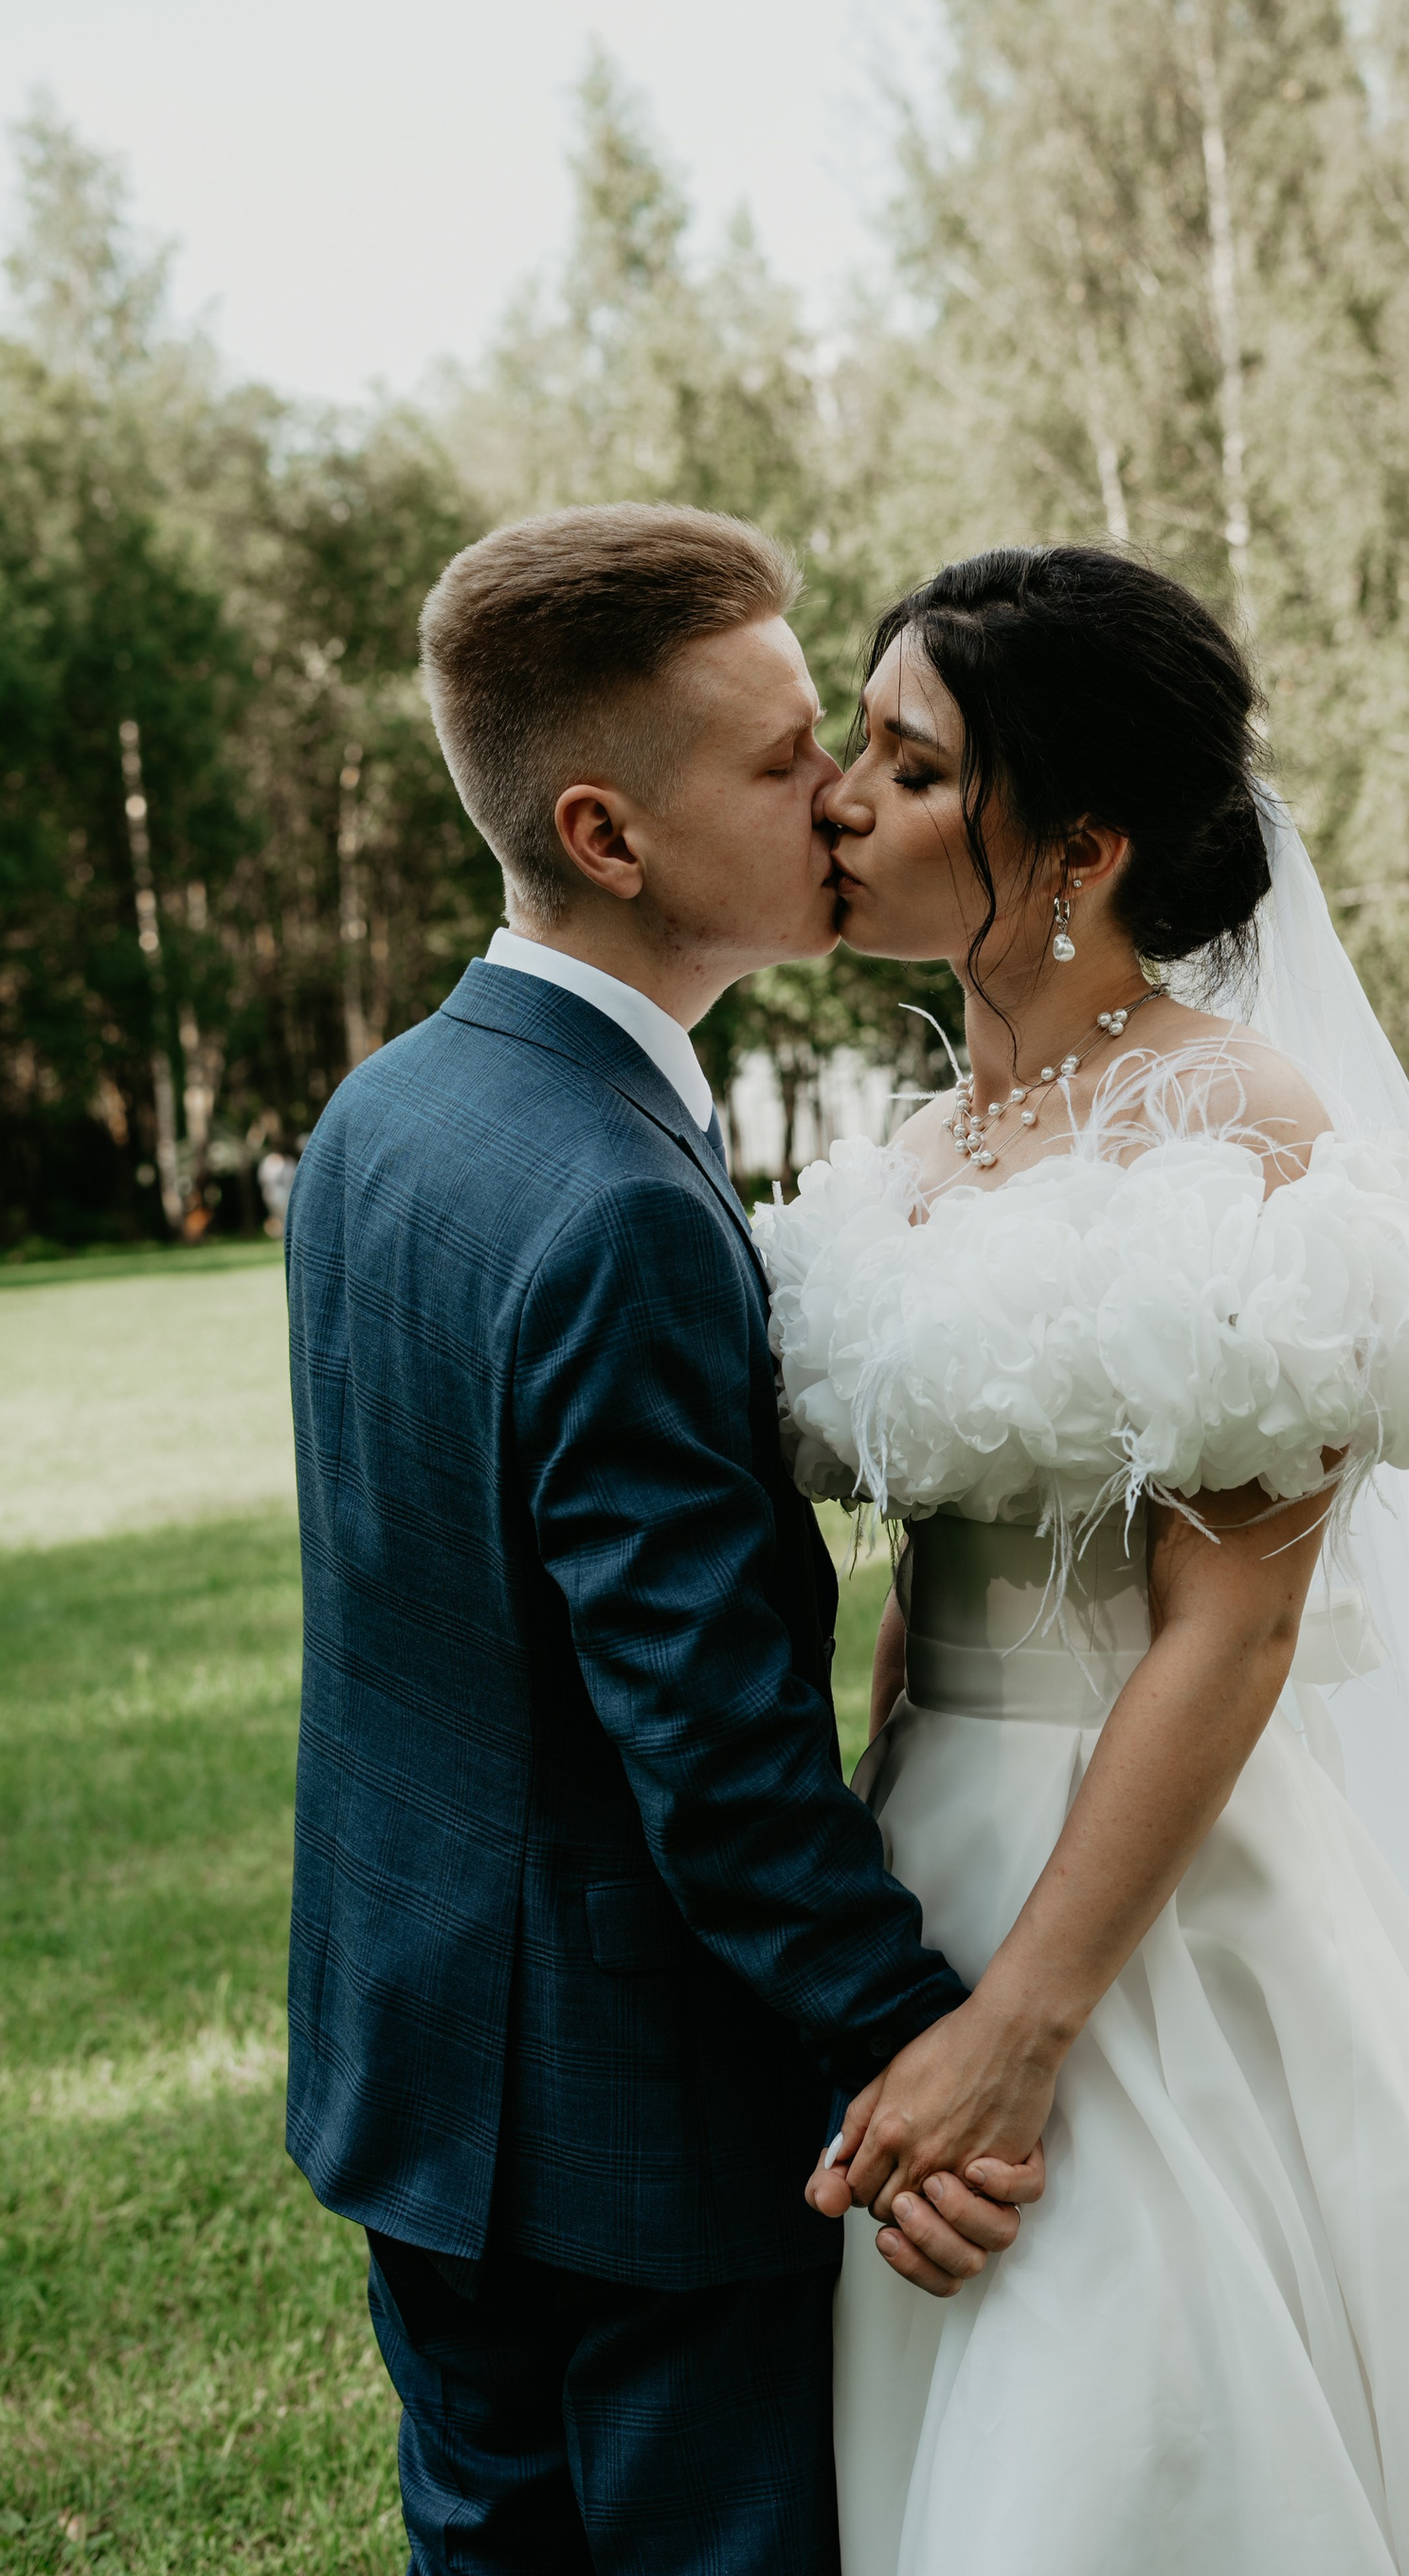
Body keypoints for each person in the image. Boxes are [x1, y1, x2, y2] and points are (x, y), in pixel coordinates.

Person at [759, 545, 1409, 2573]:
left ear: (1079, 849)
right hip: (925, 1843)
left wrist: (1022, 2029)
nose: (838, 800)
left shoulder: (1234, 1126)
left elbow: (1235, 1631)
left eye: (911, 769)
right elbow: (928, 1589)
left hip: (1149, 1890)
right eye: (856, 747)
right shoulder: (919, 1146)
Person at [280, 505, 1040, 2576]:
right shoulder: (612, 1196)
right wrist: (913, 2050)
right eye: (785, 756)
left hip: (420, 2071)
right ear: (608, 836)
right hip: (631, 2110)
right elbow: (705, 1735)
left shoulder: (387, 1109)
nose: (843, 792)